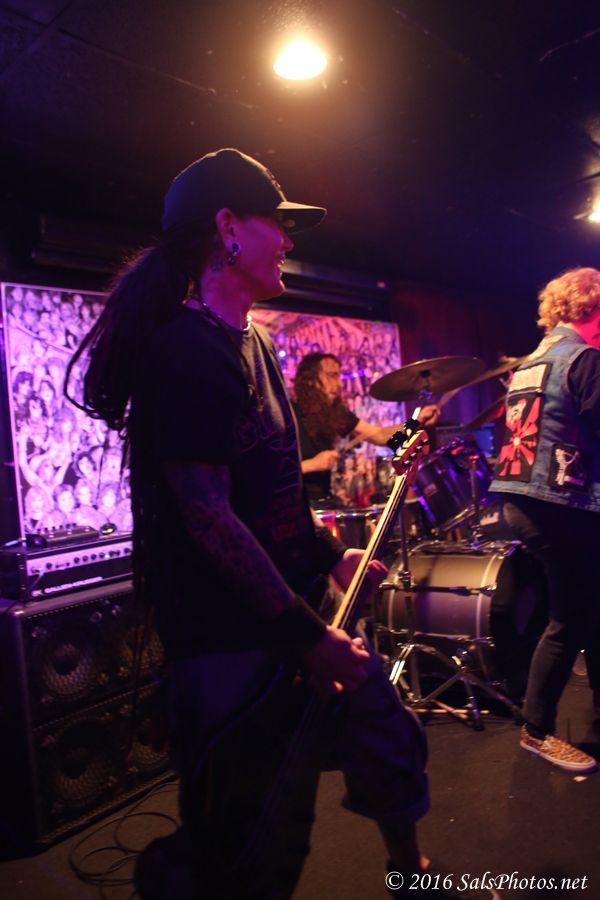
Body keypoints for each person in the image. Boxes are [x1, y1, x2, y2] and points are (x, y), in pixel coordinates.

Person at [65, 148, 445, 900]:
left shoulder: (256, 342)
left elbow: (273, 489)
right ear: (228, 228)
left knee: (388, 740)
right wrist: (308, 638)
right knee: (254, 846)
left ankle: (413, 873)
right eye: (279, 224)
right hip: (232, 640)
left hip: (296, 605)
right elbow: (207, 517)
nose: (290, 241)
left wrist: (329, 556)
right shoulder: (184, 350)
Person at [490, 266, 600, 773]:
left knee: (588, 607)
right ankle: (536, 731)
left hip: (525, 500)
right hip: (561, 505)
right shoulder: (584, 358)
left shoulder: (531, 363)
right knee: (570, 617)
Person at [292, 352, 439, 508]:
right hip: (296, 505)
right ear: (310, 380)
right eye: (332, 376)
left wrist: (416, 421)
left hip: (324, 502)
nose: (340, 384)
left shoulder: (335, 414)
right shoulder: (289, 414)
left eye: (339, 377)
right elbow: (275, 476)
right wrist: (312, 464)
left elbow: (380, 436)